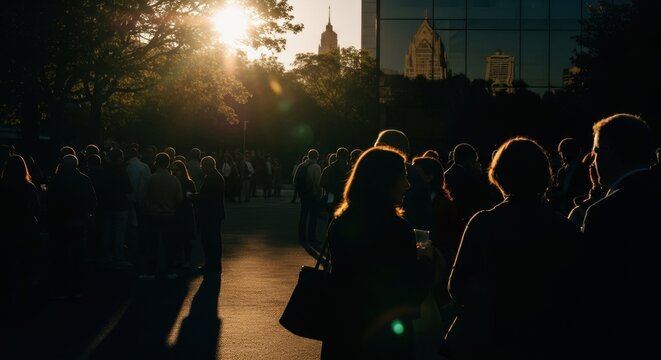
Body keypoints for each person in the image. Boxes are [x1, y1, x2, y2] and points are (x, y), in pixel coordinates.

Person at [446, 137, 580, 359]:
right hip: (545, 340)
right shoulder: (564, 228)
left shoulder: (483, 222)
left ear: (498, 175)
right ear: (544, 175)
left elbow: (456, 286)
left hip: (491, 339)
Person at [321, 146, 431, 359]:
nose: (407, 185)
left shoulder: (340, 223)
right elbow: (410, 293)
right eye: (403, 178)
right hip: (385, 336)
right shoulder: (397, 229)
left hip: (344, 331)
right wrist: (426, 261)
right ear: (386, 182)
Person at [578, 113, 661, 358]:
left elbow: (593, 289)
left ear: (611, 152)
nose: (592, 162)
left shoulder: (604, 212)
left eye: (596, 153)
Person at [196, 156, 225, 274]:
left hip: (209, 214)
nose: (202, 169)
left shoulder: (211, 178)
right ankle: (215, 264)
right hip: (216, 213)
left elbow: (205, 197)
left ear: (207, 166)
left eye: (202, 166)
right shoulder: (217, 176)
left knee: (209, 240)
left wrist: (191, 196)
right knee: (215, 240)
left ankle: (210, 264)